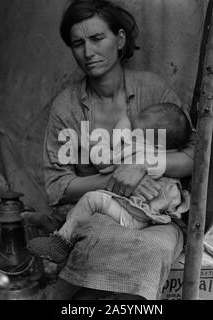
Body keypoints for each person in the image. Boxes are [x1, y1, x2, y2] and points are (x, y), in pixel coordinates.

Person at [36, 0, 196, 300]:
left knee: (154, 249)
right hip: (101, 213)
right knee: (97, 241)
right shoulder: (68, 106)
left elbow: (194, 157)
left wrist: (145, 167)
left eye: (97, 38)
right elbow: (57, 186)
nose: (88, 52)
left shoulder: (154, 91)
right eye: (77, 43)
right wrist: (115, 181)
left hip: (157, 215)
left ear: (120, 40)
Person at [28, 102, 191, 264]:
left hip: (134, 217)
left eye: (136, 132)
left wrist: (121, 121)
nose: (132, 135)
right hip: (149, 215)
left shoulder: (137, 151)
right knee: (84, 211)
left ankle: (61, 243)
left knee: (91, 200)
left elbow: (105, 161)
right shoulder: (166, 158)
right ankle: (59, 227)